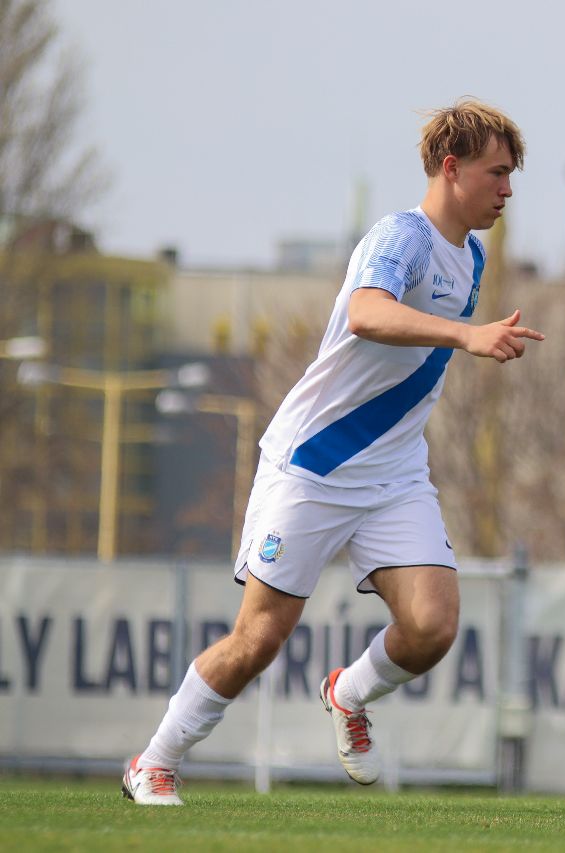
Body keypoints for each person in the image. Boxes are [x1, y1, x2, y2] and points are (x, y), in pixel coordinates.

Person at [123, 99, 543, 806]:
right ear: (451, 168)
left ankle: (348, 693)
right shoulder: (401, 237)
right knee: (257, 640)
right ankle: (154, 761)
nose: (507, 189)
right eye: (496, 173)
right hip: (314, 465)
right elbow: (366, 313)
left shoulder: (472, 254)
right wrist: (465, 335)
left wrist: (461, 336)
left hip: (395, 473)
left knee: (433, 627)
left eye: (510, 176)